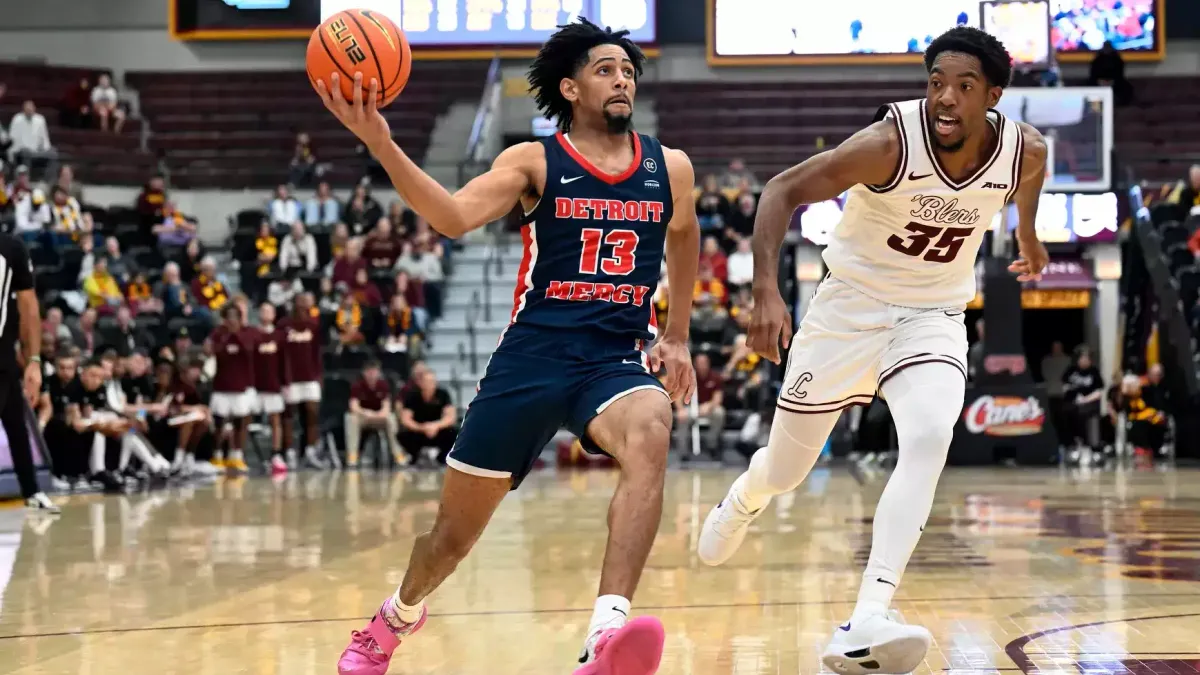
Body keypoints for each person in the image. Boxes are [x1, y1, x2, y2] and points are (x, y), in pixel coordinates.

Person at [315, 18, 698, 675]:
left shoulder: (671, 167)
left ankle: (605, 635)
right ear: (571, 88)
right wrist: (380, 142)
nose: (622, 79)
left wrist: (679, 334)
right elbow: (452, 216)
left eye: (629, 71)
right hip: (530, 360)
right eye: (606, 69)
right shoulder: (534, 162)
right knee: (450, 540)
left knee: (653, 425)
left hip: (610, 360)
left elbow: (683, 233)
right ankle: (394, 618)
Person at [696, 26, 1049, 675]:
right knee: (786, 471)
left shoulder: (1025, 150)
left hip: (932, 316)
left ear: (994, 95)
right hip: (847, 311)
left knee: (927, 436)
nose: (945, 97)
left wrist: (1027, 235)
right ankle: (747, 494)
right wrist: (765, 292)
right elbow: (780, 190)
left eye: (963, 86)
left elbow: (1029, 181)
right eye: (936, 82)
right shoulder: (890, 143)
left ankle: (869, 615)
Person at [0, 233, 58, 511]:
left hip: (5, 357)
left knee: (17, 424)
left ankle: (31, 491)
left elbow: (29, 307)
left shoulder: (11, 247)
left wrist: (33, 360)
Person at [207, 305, 256, 474]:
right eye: (229, 316)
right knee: (219, 424)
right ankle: (217, 455)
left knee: (240, 423)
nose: (232, 320)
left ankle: (237, 456)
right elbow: (212, 350)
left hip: (240, 386)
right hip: (221, 386)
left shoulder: (247, 333)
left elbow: (249, 351)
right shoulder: (218, 334)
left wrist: (236, 335)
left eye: (235, 317)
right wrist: (226, 337)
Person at [281, 293, 326, 469]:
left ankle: (310, 451)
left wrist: (319, 376)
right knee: (289, 416)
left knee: (312, 414)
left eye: (305, 303)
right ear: (293, 304)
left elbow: (317, 353)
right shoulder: (284, 325)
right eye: (299, 303)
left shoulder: (313, 326)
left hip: (310, 377)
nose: (302, 306)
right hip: (291, 378)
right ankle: (289, 451)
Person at [346, 360, 404, 467]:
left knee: (390, 418)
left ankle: (398, 454)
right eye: (369, 371)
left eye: (374, 371)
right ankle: (352, 455)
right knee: (351, 418)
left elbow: (386, 408)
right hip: (363, 417)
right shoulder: (357, 385)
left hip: (379, 417)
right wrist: (366, 413)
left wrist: (378, 415)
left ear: (378, 372)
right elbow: (354, 406)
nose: (372, 374)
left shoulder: (383, 385)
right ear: (364, 373)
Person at [253, 303, 289, 473]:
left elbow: (285, 362)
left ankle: (276, 453)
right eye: (263, 310)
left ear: (274, 315)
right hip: (255, 386)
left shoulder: (279, 336)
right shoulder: (253, 335)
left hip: (274, 384)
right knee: (245, 419)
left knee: (276, 420)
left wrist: (286, 383)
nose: (266, 313)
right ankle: (239, 454)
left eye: (269, 311)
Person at [396, 369, 455, 465]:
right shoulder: (412, 395)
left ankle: (442, 458)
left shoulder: (443, 394)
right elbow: (405, 419)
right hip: (419, 430)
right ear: (421, 383)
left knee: (454, 433)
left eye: (432, 381)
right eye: (426, 381)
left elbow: (450, 417)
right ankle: (413, 457)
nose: (429, 384)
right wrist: (422, 428)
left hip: (438, 430)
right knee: (402, 434)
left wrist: (435, 426)